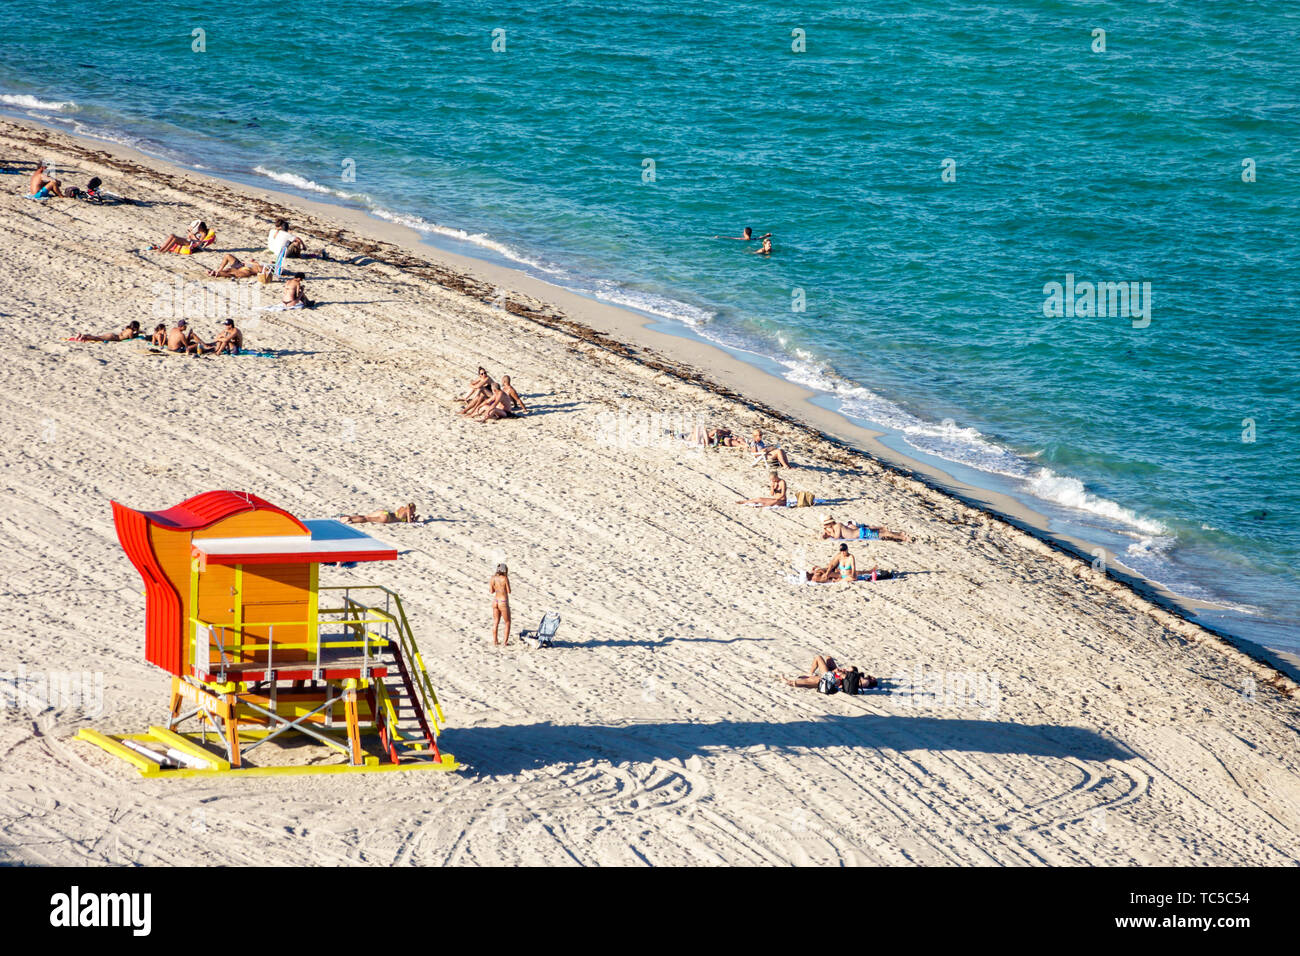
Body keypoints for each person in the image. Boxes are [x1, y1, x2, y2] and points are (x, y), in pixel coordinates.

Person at [781, 656, 875, 692]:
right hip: (833, 676)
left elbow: (862, 683)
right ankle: (795, 681)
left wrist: (838, 672)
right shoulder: (853, 676)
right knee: (829, 659)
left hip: (832, 678)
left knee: (818, 659)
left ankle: (791, 682)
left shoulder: (863, 681)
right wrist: (839, 671)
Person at [820, 515, 912, 542]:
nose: (826, 527)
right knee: (881, 532)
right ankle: (900, 534)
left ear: (830, 523)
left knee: (883, 534)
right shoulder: (837, 526)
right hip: (860, 532)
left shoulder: (837, 526)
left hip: (861, 534)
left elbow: (836, 537)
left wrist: (829, 533)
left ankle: (903, 538)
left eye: (826, 525)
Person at [490, 564, 511, 645]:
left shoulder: (492, 578)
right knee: (507, 622)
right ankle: (505, 642)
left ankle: (495, 641)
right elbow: (509, 591)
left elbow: (491, 591)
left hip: (495, 600)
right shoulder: (505, 578)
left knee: (496, 622)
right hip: (503, 601)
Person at [344, 503, 418, 524]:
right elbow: (409, 521)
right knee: (367, 519)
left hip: (384, 512)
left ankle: (349, 517)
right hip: (387, 518)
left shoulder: (401, 508)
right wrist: (413, 517)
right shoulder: (408, 511)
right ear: (411, 509)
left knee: (365, 516)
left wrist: (413, 516)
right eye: (413, 511)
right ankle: (351, 521)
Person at [71, 320, 140, 342]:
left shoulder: (127, 329)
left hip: (113, 335)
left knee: (98, 337)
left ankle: (83, 336)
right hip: (114, 338)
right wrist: (137, 334)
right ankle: (83, 336)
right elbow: (131, 338)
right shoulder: (130, 331)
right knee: (98, 338)